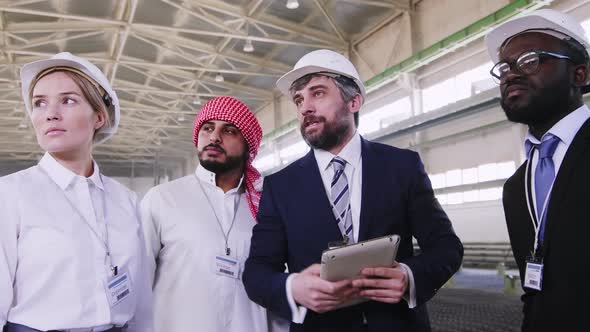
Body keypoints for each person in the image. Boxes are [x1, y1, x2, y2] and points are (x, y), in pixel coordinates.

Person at [243, 49, 463, 331]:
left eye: (318, 93)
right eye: (299, 99)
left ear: (354, 101)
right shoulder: (279, 186)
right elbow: (257, 271)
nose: (304, 107)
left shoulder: (402, 167)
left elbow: (446, 247)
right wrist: (293, 287)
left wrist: (408, 277)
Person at [0, 52, 152, 332]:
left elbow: (141, 299)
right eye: (39, 103)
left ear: (98, 117)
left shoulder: (125, 200)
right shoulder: (10, 195)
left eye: (68, 100)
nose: (50, 113)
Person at [140, 96, 287, 332]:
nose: (214, 137)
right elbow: (139, 284)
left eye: (229, 130)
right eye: (207, 128)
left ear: (248, 145)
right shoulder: (162, 199)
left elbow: (276, 287)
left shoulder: (265, 206)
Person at [485, 9, 590, 332]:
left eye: (530, 60)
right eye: (504, 67)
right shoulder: (516, 188)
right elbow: (534, 293)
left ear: (580, 75)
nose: (511, 75)